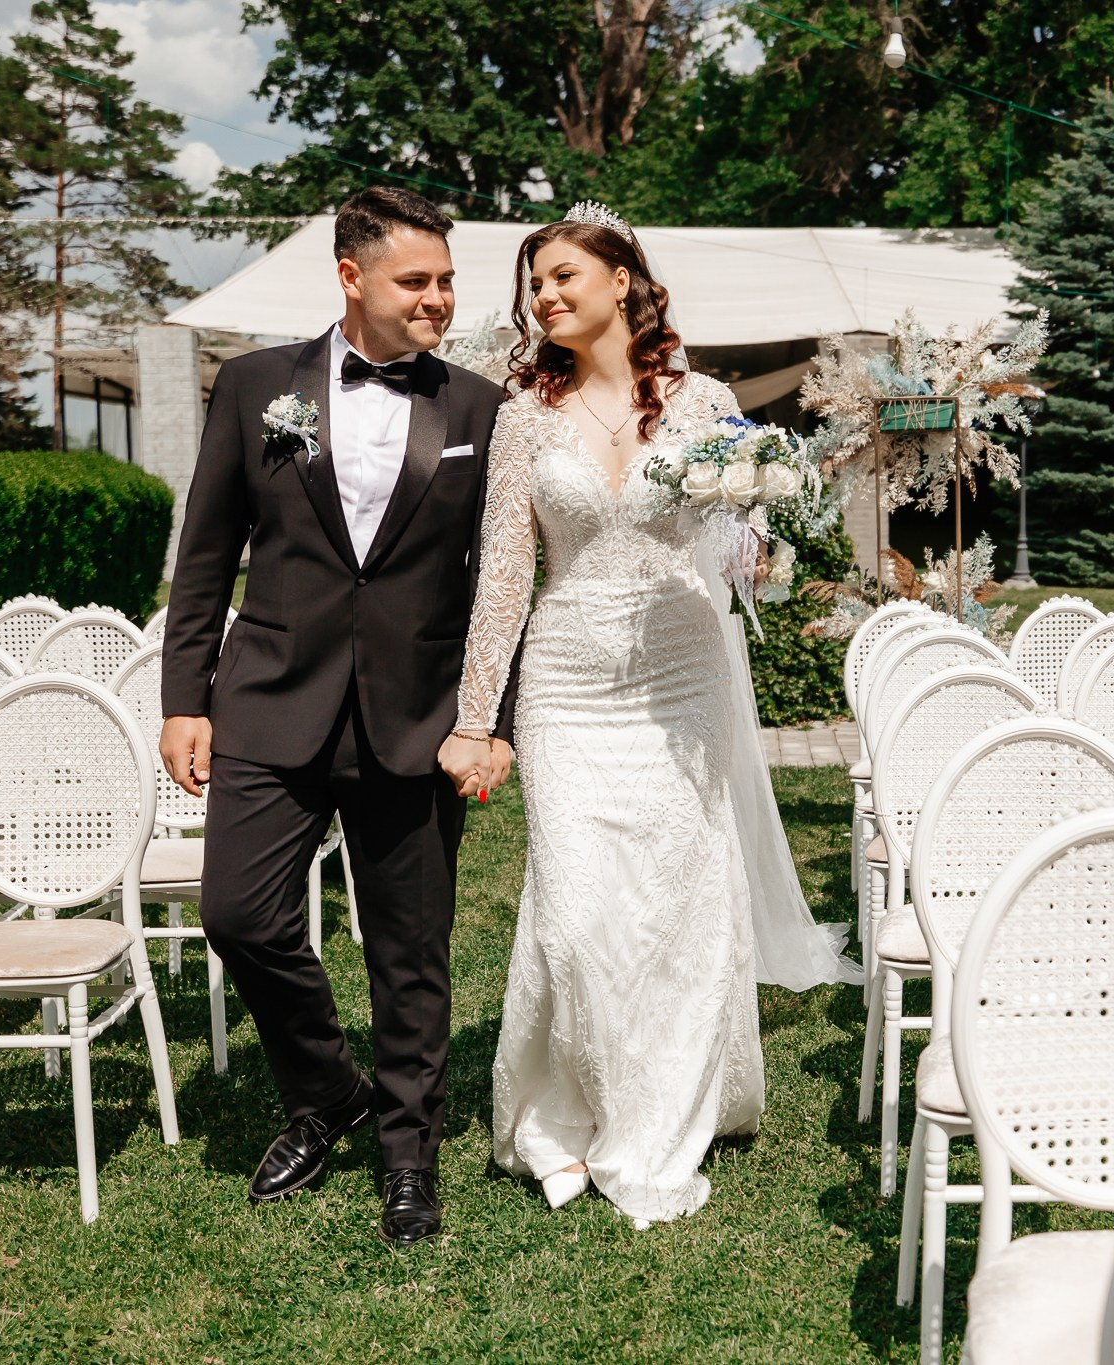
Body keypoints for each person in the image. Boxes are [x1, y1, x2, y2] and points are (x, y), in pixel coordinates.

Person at [446, 201, 856, 1227]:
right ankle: (558, 1112)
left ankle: (656, 1119)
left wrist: (758, 535)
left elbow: (755, 543)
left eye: (560, 277)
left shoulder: (705, 398)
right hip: (569, 682)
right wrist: (473, 715)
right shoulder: (522, 419)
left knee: (674, 905)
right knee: (578, 913)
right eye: (533, 283)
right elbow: (503, 574)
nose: (542, 295)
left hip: (681, 682)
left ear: (620, 281)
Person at [160, 186, 517, 1246]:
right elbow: (206, 553)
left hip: (417, 711)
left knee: (411, 949)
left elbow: (502, 578)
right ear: (350, 276)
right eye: (417, 280)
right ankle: (328, 1093)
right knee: (239, 915)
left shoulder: (480, 409)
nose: (439, 301)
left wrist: (488, 717)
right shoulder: (254, 385)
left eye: (447, 280)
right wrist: (184, 698)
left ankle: (408, 1154)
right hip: (269, 698)